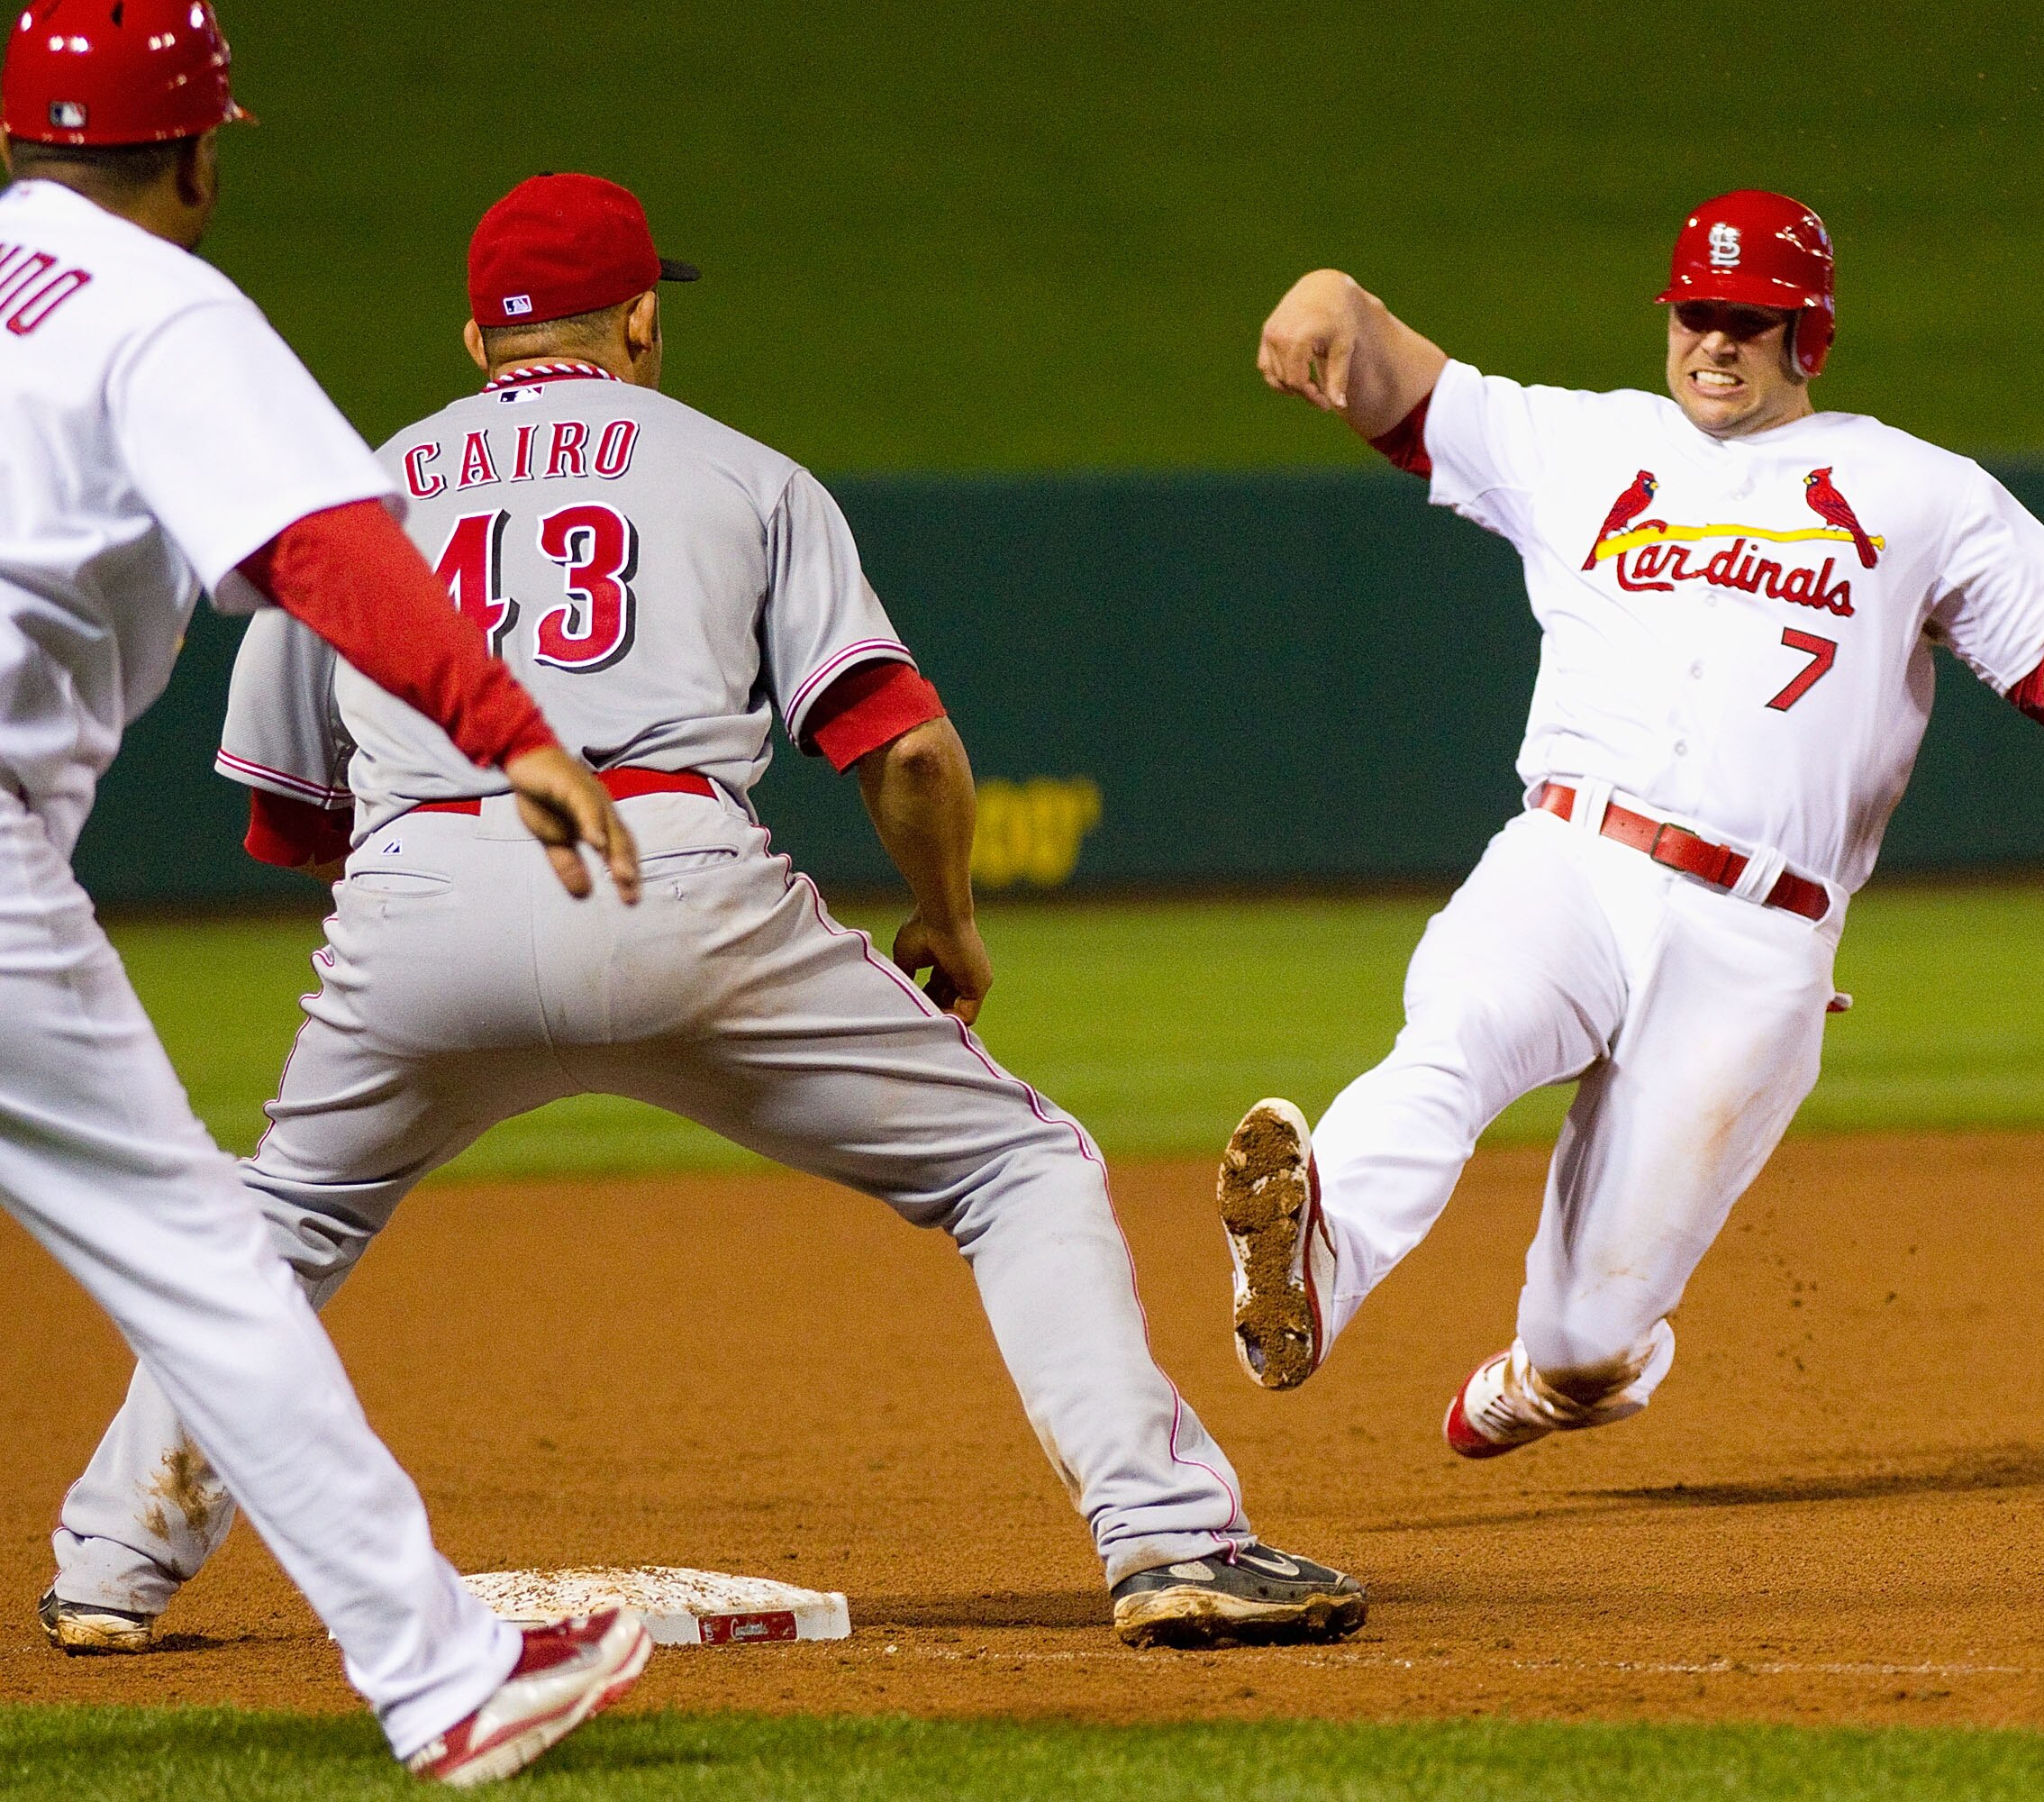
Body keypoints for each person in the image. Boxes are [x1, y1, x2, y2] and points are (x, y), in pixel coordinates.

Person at [43, 170, 1367, 1653]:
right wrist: (951, 920)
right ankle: (1171, 1541)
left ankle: (110, 1565)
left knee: (274, 1226)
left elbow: (291, 816)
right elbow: (907, 749)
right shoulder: (742, 473)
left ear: (479, 339)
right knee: (1021, 1171)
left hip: (415, 893)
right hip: (671, 875)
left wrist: (435, 945)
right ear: (643, 321)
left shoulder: (352, 492)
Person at [1221, 189, 2044, 1458]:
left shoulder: (1917, 489)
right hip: (1570, 858)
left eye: (1750, 319)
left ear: (1812, 338)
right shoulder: (1575, 442)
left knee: (1584, 1343)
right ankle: (1314, 1255)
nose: (1714, 342)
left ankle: (1554, 1374)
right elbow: (1391, 375)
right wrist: (1332, 293)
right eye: (1696, 313)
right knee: (1455, 1037)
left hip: (1759, 938)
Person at [2, 2, 654, 1781]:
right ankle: (443, 1672)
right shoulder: (159, 306)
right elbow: (326, 543)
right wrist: (506, 724)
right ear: (200, 155)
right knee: (214, 1262)